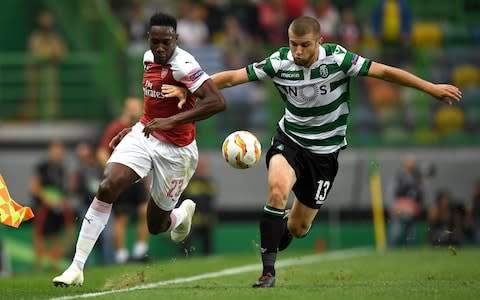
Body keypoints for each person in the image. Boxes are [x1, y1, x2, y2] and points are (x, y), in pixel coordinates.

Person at [164, 15, 461, 288]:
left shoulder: (338, 58)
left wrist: (430, 88)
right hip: (290, 141)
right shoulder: (280, 62)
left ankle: (281, 230)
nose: (297, 51)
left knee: (299, 226)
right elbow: (231, 78)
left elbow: (385, 73)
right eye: (293, 44)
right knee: (277, 192)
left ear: (319, 42)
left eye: (304, 45)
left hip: (325, 154)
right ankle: (268, 272)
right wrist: (189, 90)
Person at [52, 12, 226, 287]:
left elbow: (217, 101)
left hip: (178, 151)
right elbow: (153, 105)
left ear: (176, 40)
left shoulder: (184, 64)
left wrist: (170, 121)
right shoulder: (147, 59)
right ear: (148, 38)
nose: (159, 48)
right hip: (144, 134)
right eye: (155, 41)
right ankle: (76, 267)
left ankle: (180, 215)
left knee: (155, 226)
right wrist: (132, 127)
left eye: (165, 42)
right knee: (108, 186)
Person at [97, 97, 150, 264]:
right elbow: (101, 152)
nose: (134, 110)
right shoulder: (116, 127)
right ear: (125, 109)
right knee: (122, 218)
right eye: (131, 107)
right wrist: (112, 172)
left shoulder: (142, 128)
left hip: (137, 178)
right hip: (121, 179)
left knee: (145, 212)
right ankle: (121, 256)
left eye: (137, 107)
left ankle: (140, 252)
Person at [30, 140, 75, 271]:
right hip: (42, 208)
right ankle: (38, 266)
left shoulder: (62, 169)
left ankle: (54, 265)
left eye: (60, 151)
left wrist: (62, 201)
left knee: (55, 236)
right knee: (39, 236)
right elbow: (34, 186)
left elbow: (64, 190)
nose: (58, 153)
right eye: (55, 150)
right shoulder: (42, 167)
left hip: (57, 208)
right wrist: (46, 198)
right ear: (50, 151)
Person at [70, 142, 114, 266]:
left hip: (103, 206)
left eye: (86, 155)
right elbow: (73, 189)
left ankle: (107, 264)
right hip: (86, 206)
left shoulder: (101, 168)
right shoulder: (79, 170)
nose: (84, 158)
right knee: (86, 236)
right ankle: (84, 265)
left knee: (106, 236)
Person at [24, 11, 67, 120]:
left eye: (48, 25)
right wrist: (49, 54)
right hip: (36, 74)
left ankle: (51, 119)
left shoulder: (55, 38)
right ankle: (33, 120)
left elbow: (61, 53)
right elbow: (36, 54)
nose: (47, 27)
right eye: (44, 25)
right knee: (34, 99)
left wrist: (51, 54)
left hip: (50, 76)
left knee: (51, 100)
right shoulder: (35, 38)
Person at [178, 154, 216, 256]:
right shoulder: (188, 182)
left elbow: (210, 202)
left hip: (205, 220)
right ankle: (184, 257)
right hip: (191, 220)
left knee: (208, 242)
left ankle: (208, 257)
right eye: (199, 167)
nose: (201, 169)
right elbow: (182, 201)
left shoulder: (209, 183)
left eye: (203, 167)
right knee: (186, 242)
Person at [387, 154, 423, 248]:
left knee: (411, 234)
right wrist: (392, 207)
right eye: (409, 162)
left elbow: (420, 193)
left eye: (412, 162)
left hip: (412, 210)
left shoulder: (417, 177)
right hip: (400, 208)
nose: (411, 164)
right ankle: (391, 250)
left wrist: (419, 205)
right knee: (396, 232)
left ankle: (410, 254)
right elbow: (391, 192)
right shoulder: (398, 176)